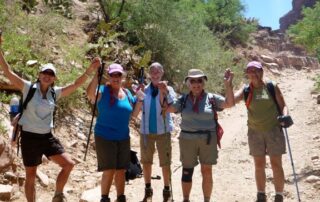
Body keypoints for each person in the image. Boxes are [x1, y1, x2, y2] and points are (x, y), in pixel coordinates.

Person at [0, 50, 100, 201]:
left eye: (51, 74)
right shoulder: (28, 88)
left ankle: (58, 195)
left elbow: (75, 84)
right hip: (29, 138)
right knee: (31, 175)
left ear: (54, 78)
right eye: (44, 73)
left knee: (68, 164)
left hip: (47, 137)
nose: (47, 76)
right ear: (39, 75)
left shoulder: (54, 93)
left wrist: (90, 70)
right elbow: (8, 71)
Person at [167, 68, 234, 202]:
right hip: (187, 139)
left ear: (203, 83)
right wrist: (163, 92)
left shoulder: (212, 98)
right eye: (193, 81)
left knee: (207, 171)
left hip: (207, 139)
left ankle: (206, 200)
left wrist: (228, 85)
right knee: (187, 171)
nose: (196, 84)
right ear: (188, 84)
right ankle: (186, 199)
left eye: (199, 80)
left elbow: (229, 103)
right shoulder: (183, 99)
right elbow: (169, 108)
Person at [234, 61, 288, 202]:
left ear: (262, 71)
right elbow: (231, 101)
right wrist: (228, 84)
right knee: (259, 164)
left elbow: (283, 105)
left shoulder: (271, 86)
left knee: (276, 164)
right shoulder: (246, 90)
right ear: (247, 74)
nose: (253, 74)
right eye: (250, 71)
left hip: (273, 130)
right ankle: (261, 195)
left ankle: (279, 196)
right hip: (254, 132)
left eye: (256, 70)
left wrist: (286, 116)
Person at [87, 63, 141, 202]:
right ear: (109, 76)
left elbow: (133, 115)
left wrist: (140, 98)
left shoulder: (128, 93)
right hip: (105, 136)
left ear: (122, 76)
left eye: (118, 75)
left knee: (121, 170)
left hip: (123, 137)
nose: (116, 78)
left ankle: (120, 197)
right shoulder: (103, 90)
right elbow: (90, 94)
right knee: (109, 169)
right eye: (113, 75)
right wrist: (95, 76)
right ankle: (104, 198)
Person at [132, 62, 176, 202]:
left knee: (165, 162)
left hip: (163, 131)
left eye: (158, 71)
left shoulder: (169, 89)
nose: (155, 74)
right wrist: (139, 96)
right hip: (146, 132)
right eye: (152, 71)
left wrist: (165, 92)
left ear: (162, 72)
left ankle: (167, 191)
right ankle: (148, 190)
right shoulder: (144, 89)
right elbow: (135, 113)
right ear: (149, 74)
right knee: (146, 162)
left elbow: (172, 106)